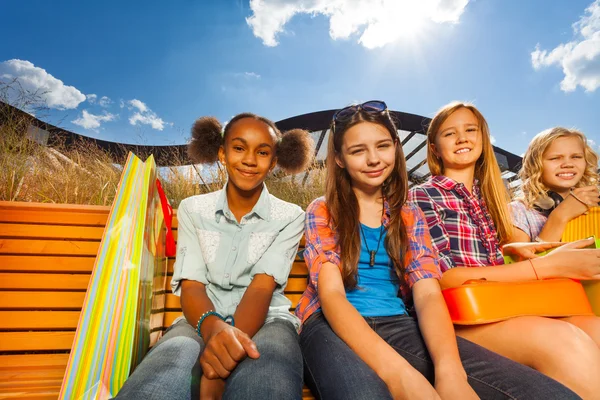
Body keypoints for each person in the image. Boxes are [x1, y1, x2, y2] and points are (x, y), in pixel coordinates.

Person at [296, 100, 578, 400]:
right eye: (357, 151)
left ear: (395, 146)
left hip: (396, 322)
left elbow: (428, 293)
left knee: (548, 393)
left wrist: (450, 372)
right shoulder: (324, 209)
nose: (373, 159)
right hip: (328, 324)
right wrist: (399, 375)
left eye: (382, 146)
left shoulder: (407, 214)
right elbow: (332, 296)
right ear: (338, 158)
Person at [409, 101, 600, 398]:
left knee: (595, 328)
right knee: (561, 340)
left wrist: (519, 249)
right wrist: (549, 266)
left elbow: (490, 258)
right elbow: (438, 278)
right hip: (456, 319)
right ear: (434, 148)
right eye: (450, 133)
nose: (462, 138)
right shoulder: (422, 196)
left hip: (497, 307)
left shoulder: (488, 200)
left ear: (484, 140)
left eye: (471, 130)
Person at [115, 113, 314, 399]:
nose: (249, 159)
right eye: (238, 147)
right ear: (222, 152)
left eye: (262, 152)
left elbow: (262, 286)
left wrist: (221, 364)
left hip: (268, 321)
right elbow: (192, 284)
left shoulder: (290, 216)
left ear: (273, 162)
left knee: (267, 381)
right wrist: (213, 330)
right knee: (159, 377)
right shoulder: (192, 209)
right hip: (199, 319)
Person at [511, 127, 599, 242]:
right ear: (535, 165)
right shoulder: (517, 211)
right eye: (555, 158)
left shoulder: (594, 206)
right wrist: (559, 216)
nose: (568, 164)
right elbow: (523, 260)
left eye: (576, 157)